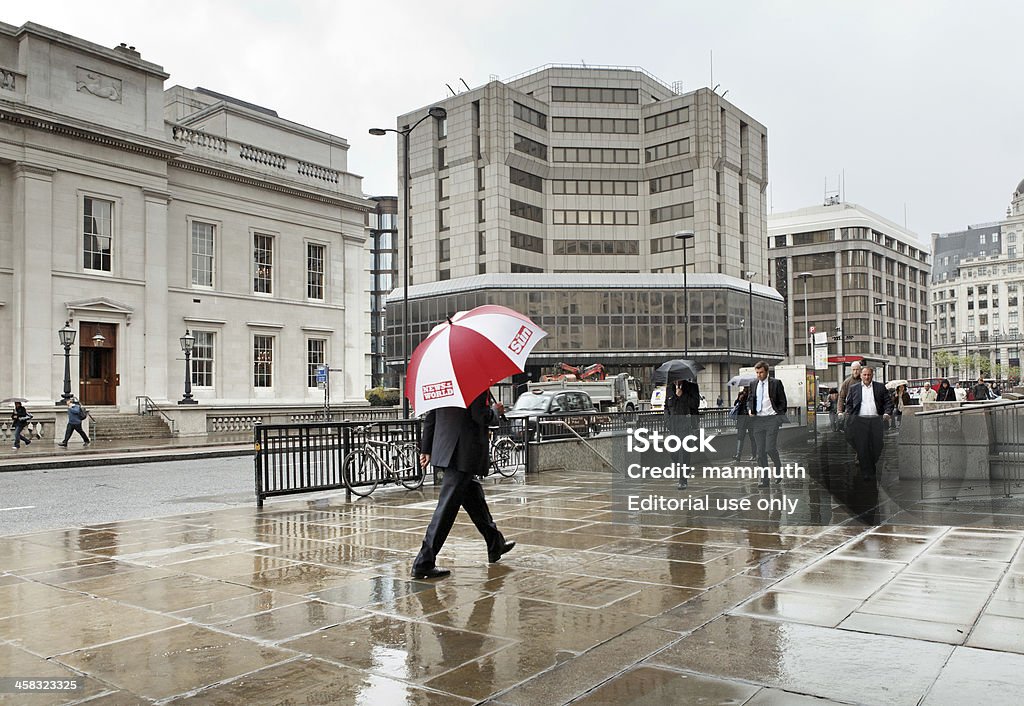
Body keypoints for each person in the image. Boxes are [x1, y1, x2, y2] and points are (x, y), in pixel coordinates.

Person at [411, 391, 515, 580]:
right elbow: (480, 415)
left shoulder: (445, 380)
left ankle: (495, 543)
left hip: (447, 449)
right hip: (464, 453)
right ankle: (423, 562)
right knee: (446, 510)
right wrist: (495, 411)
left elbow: (432, 414)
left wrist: (426, 448)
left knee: (474, 498)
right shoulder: (474, 383)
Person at [843, 366, 893, 480]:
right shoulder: (854, 388)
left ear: (872, 375)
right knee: (862, 447)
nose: (867, 377)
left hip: (876, 420)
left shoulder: (880, 387)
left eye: (869, 375)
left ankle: (871, 464)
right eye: (864, 375)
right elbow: (849, 404)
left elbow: (888, 402)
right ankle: (866, 472)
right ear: (861, 375)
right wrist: (850, 415)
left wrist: (887, 413)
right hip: (860, 421)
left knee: (878, 446)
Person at [746, 361, 787, 488]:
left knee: (769, 448)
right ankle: (765, 480)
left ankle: (778, 466)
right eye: (757, 372)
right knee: (760, 452)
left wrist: (778, 415)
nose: (759, 375)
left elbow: (782, 401)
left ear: (767, 372)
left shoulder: (776, 383)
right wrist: (749, 410)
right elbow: (750, 399)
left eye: (761, 372)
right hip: (758, 420)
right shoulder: (753, 384)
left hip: (771, 419)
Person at [665, 378, 700, 489]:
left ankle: (682, 480)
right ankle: (685, 469)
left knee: (684, 452)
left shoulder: (692, 387)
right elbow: (666, 407)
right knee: (673, 452)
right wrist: (667, 421)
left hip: (687, 424)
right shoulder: (669, 388)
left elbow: (695, 404)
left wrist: (682, 395)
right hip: (673, 425)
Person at [730, 388, 755, 461]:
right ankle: (738, 455)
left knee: (752, 438)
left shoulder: (752, 396)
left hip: (750, 419)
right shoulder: (741, 395)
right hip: (742, 419)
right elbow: (735, 404)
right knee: (740, 437)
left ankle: (754, 455)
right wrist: (739, 399)